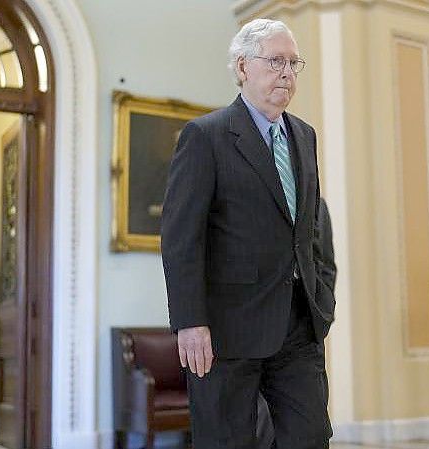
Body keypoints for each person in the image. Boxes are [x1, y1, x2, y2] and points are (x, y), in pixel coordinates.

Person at [162, 18, 334, 449]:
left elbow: (314, 227)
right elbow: (182, 238)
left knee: (310, 437)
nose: (288, 73)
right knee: (227, 441)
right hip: (226, 328)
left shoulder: (304, 136)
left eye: (295, 63)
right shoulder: (206, 136)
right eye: (276, 61)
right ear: (242, 67)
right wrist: (189, 322)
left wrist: (323, 301)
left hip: (298, 324)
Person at [256, 196, 336, 449]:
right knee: (261, 430)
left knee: (310, 431)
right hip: (253, 337)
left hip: (304, 332)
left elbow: (325, 266)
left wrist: (320, 314)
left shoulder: (315, 203)